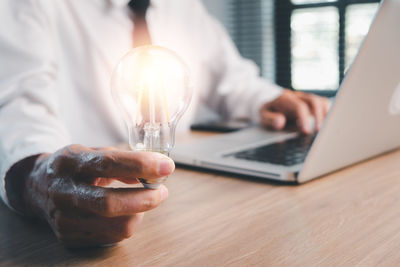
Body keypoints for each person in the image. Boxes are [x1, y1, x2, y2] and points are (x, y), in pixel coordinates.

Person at [0, 0, 330, 247]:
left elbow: (233, 79)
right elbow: (17, 101)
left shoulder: (183, 6)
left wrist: (268, 99)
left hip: (183, 212)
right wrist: (36, 174)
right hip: (86, 211)